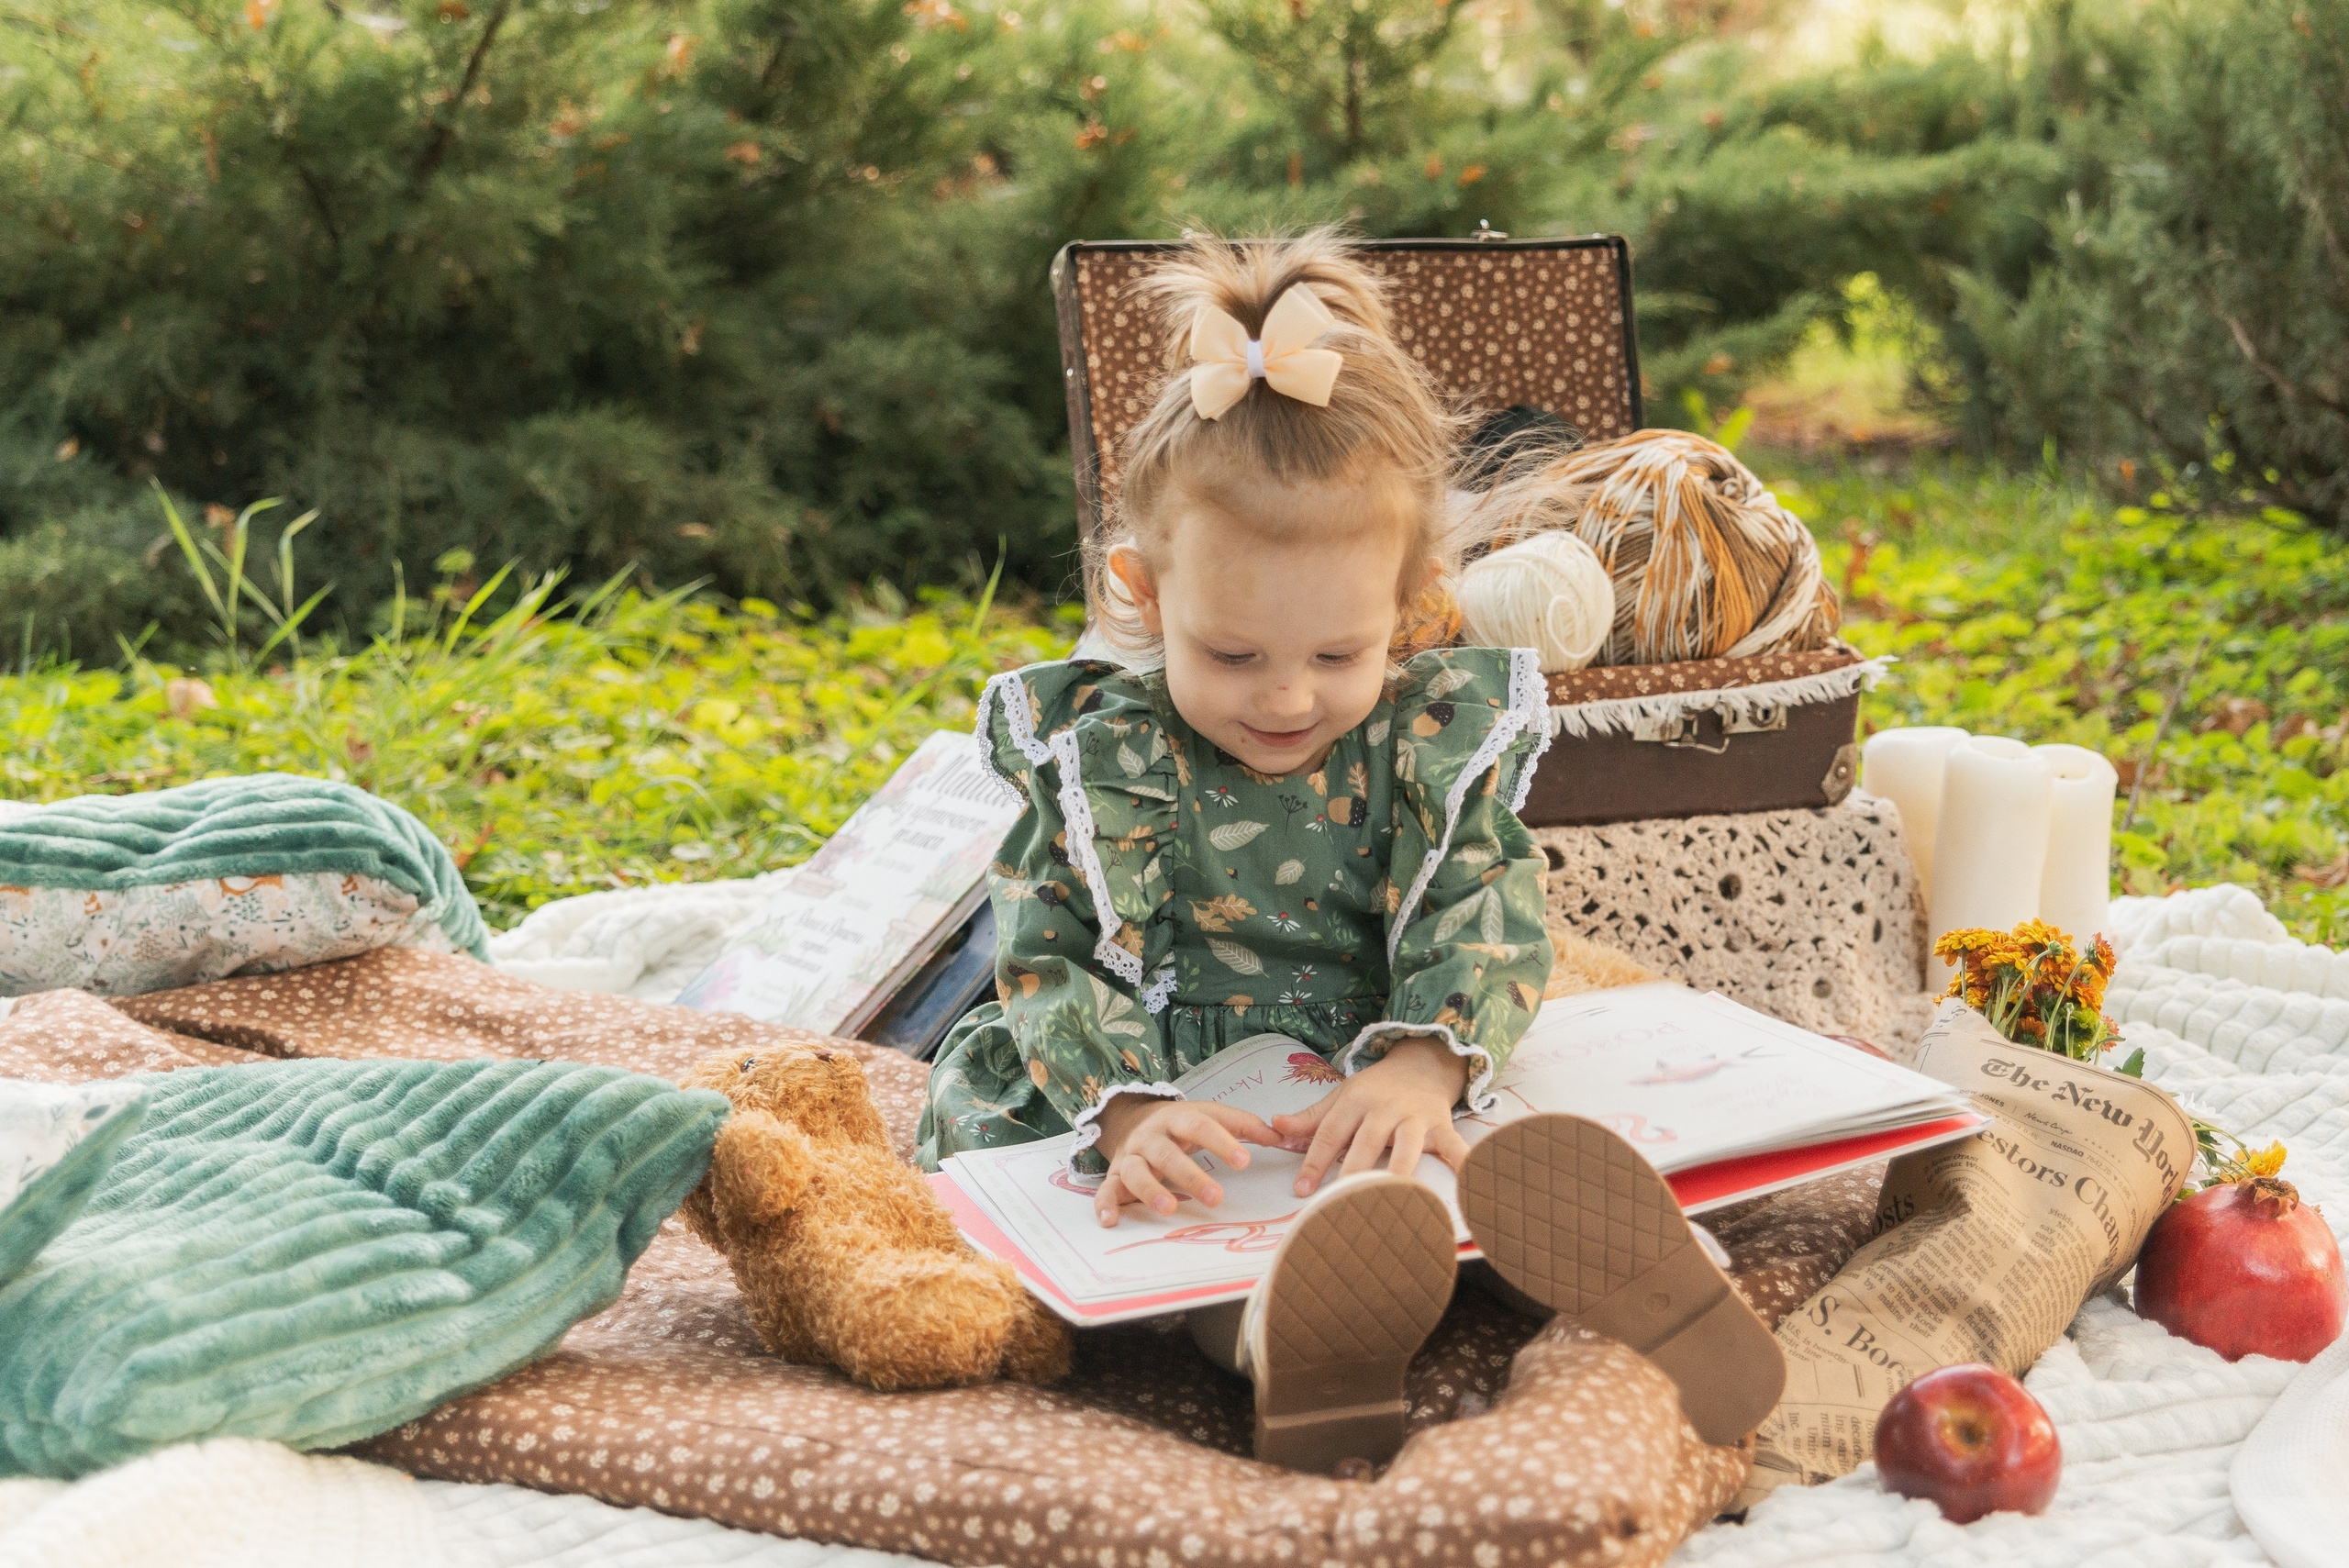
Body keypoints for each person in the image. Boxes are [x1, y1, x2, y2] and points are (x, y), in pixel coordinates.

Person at [917, 228, 1782, 1471]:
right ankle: (1291, 1341)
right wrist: (1132, 1110)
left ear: (1414, 602)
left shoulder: (1420, 739)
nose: (1286, 697)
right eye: (1231, 654)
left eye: (1337, 654)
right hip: (1185, 1096)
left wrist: (1426, 1062)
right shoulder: (1110, 757)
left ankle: (1627, 1273)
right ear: (1144, 593)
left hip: (1376, 1063)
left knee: (1488, 1155)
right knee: (1197, 1233)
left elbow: (1483, 909)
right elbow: (1049, 950)